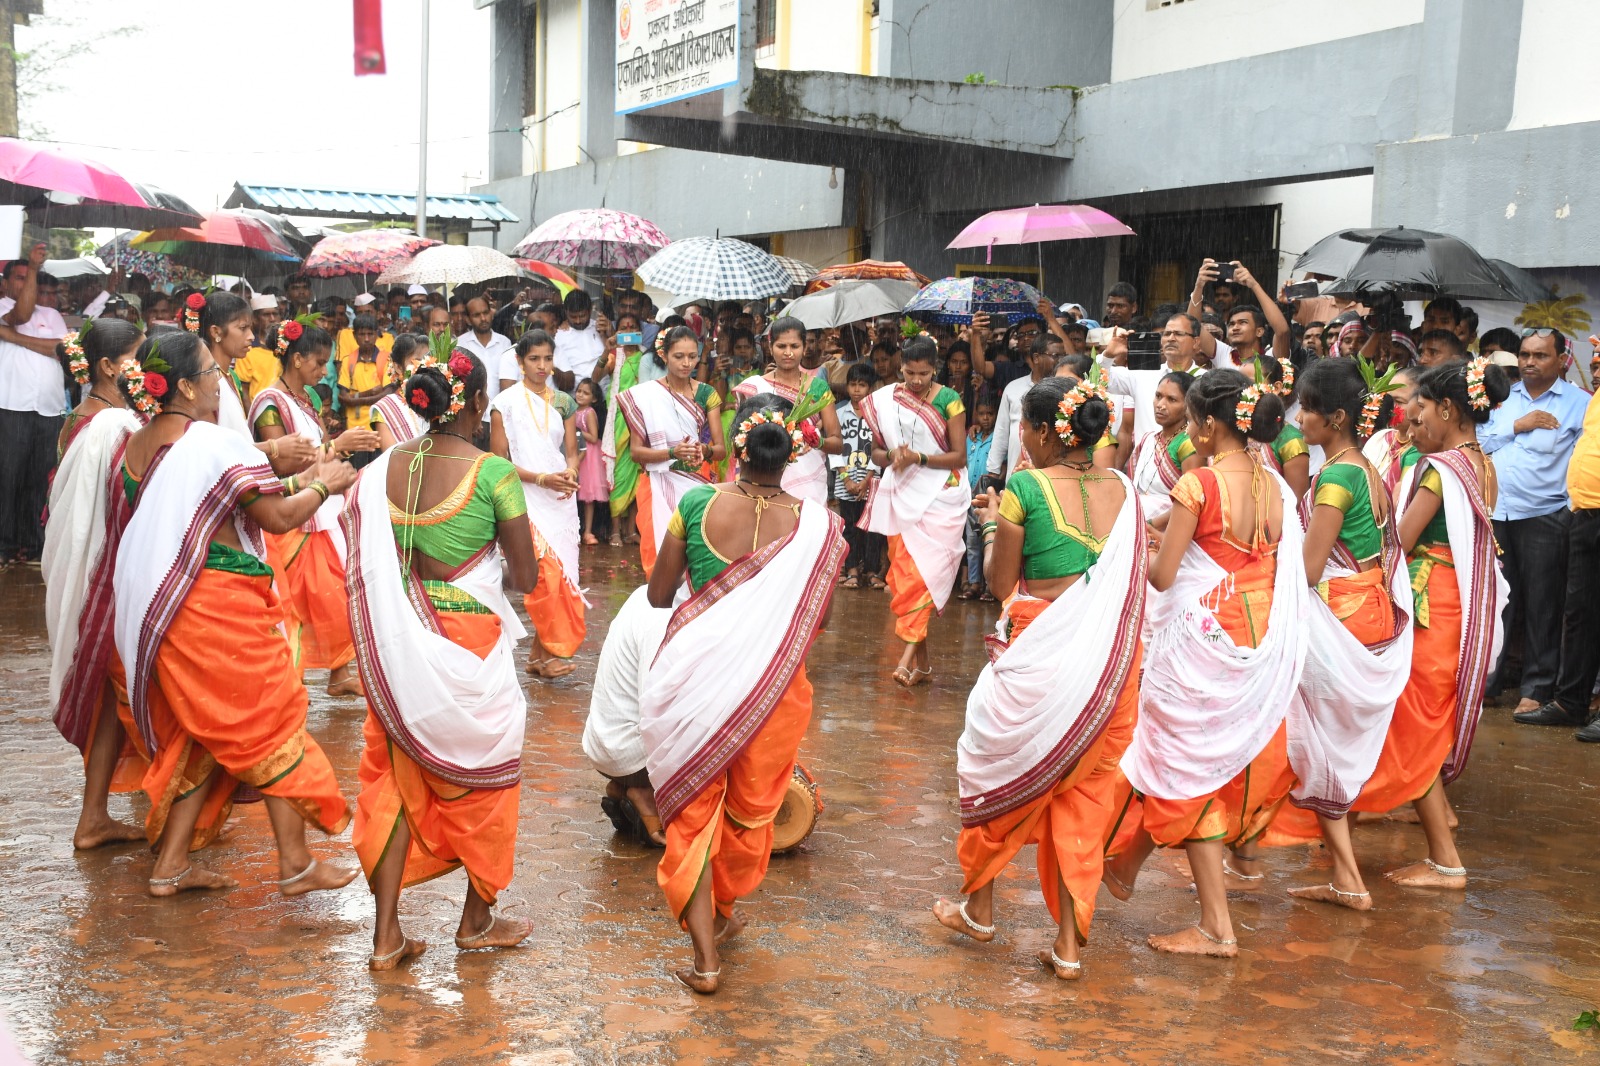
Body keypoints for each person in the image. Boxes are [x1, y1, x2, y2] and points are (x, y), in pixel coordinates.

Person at [112, 330, 357, 897]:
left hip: (165, 608)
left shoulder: (137, 444)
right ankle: (295, 863)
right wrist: (326, 486)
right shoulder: (213, 443)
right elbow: (273, 517)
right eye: (211, 373)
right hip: (216, 606)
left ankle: (170, 867)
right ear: (187, 387)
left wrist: (292, 471)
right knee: (272, 718)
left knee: (211, 732)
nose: (220, 382)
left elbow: (219, 507)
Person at [932, 376, 1145, 980]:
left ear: (1046, 432)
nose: (1020, 438)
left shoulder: (1024, 487)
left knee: (997, 764)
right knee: (1086, 795)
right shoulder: (1125, 489)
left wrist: (994, 521)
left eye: (1023, 426)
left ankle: (980, 906)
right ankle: (1069, 947)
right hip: (1111, 662)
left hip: (1042, 648)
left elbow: (1002, 586)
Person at [640, 393, 847, 994]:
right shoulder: (819, 527)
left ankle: (705, 955)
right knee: (749, 813)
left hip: (691, 683)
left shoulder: (696, 502)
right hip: (775, 694)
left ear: (737, 443)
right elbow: (821, 619)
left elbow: (658, 595)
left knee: (694, 807)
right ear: (793, 451)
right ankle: (722, 909)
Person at [344, 350, 537, 970]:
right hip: (469, 637)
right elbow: (526, 578)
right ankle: (477, 920)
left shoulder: (383, 467)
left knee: (396, 779)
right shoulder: (493, 473)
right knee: (489, 772)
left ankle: (386, 936)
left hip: (399, 638)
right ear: (479, 404)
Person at [1104, 368, 1306, 958]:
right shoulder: (1275, 486)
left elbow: (1165, 576)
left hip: (1204, 632)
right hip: (1259, 626)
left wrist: (1126, 550)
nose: (1189, 431)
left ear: (1210, 425)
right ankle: (1126, 867)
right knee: (1199, 761)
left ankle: (1217, 926)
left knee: (1184, 761)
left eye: (1191, 420)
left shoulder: (1199, 486)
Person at [1351, 358, 1509, 888]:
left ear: (1448, 409)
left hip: (1428, 602)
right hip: (1454, 603)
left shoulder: (1441, 468)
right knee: (1418, 725)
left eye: (1424, 411)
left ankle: (1445, 860)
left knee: (1411, 722)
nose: (1417, 423)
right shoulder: (1481, 463)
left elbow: (1403, 537)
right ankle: (1365, 841)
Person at [1276, 358, 1415, 909]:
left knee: (1310, 745)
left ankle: (1340, 876)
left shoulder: (1335, 476)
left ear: (1335, 417)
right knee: (1323, 746)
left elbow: (1310, 569)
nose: (1300, 417)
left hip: (1338, 618)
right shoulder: (1366, 468)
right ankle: (1345, 876)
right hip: (1369, 612)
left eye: (1308, 408)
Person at [42, 318, 148, 849]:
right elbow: (123, 505)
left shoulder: (80, 420)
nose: (146, 368)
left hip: (91, 578)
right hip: (109, 579)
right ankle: (185, 819)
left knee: (112, 703)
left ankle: (96, 815)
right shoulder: (116, 428)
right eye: (136, 356)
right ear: (108, 367)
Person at [248, 322, 380, 696]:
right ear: (297, 357)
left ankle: (339, 673)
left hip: (320, 510)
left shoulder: (309, 398)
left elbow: (316, 451)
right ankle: (290, 682)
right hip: (290, 512)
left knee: (333, 594)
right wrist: (339, 446)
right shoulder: (269, 402)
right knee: (294, 604)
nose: (325, 372)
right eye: (319, 363)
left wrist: (339, 452)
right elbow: (281, 464)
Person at [1479, 330, 1591, 722]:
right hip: (1498, 514)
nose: (1529, 362)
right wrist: (1517, 426)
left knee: (1544, 605)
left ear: (1561, 359)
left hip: (1546, 516)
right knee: (1497, 603)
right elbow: (1479, 441)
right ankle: (1489, 683)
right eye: (1525, 354)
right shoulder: (1502, 399)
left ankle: (1536, 688)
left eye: (1540, 355)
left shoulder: (1581, 404)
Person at [860, 336, 969, 688]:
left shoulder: (951, 401)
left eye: (923, 373)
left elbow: (959, 456)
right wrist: (893, 457)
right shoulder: (888, 399)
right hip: (903, 494)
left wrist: (918, 458)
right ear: (900, 368)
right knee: (905, 575)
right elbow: (877, 451)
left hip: (942, 496)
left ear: (935, 368)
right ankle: (921, 664)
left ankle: (906, 659)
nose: (916, 381)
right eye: (909, 373)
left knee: (922, 577)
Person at [490, 330, 586, 679]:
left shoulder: (564, 401)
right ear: (519, 361)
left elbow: (572, 453)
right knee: (545, 574)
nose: (542, 366)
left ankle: (540, 657)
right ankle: (550, 653)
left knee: (563, 574)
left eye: (547, 358)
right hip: (525, 497)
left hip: (561, 498)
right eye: (534, 359)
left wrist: (570, 473)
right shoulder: (505, 404)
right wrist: (543, 479)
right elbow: (499, 461)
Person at [616, 326, 725, 577]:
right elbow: (636, 452)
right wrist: (673, 452)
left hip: (696, 486)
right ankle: (661, 612)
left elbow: (719, 450)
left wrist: (704, 449)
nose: (686, 363)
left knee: (695, 556)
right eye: (678, 356)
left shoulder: (707, 394)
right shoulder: (646, 396)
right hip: (656, 483)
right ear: (664, 356)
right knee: (658, 557)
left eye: (692, 356)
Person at [584, 584, 673, 847]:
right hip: (631, 755)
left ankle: (623, 788)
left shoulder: (645, 592)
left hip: (607, 747)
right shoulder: (666, 613)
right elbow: (657, 706)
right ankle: (644, 792)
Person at [0, 244, 69, 564]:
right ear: (4, 283)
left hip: (49, 408)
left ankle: (32, 542)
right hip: (11, 406)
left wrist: (12, 337)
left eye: (30, 277)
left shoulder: (52, 314)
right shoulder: (1, 306)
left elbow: (60, 349)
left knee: (40, 478)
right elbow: (21, 314)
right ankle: (4, 543)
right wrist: (34, 264)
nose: (25, 282)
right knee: (7, 476)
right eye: (19, 277)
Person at [731, 316, 842, 503]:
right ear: (770, 345)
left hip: (808, 482)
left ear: (804, 346)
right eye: (781, 346)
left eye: (794, 346)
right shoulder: (755, 387)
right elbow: (738, 441)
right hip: (763, 477)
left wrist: (815, 440)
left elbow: (837, 444)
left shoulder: (817, 388)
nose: (788, 353)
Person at [1554, 334, 1600, 743]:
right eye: (1597, 361)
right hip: (1584, 512)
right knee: (1580, 611)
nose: (1597, 368)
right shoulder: (1595, 400)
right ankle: (1571, 702)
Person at [989, 334, 1064, 481]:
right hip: (1017, 475)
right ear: (1036, 358)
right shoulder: (1013, 388)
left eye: (1063, 356)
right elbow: (1001, 432)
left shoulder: (1065, 391)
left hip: (1052, 478)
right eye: (1055, 355)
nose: (1060, 361)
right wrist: (993, 471)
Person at [1127, 371, 1200, 523]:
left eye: (1172, 399)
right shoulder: (1148, 439)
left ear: (1188, 406)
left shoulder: (1189, 445)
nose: (1160, 405)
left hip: (1167, 527)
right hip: (1138, 519)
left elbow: (1190, 502)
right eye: (1158, 396)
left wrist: (1151, 525)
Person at [1360, 365, 1423, 497]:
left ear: (1421, 403)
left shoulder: (1421, 448)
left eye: (1398, 401)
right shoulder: (1379, 438)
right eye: (1388, 399)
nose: (1390, 407)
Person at [960, 394, 997, 599]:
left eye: (990, 414)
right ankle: (974, 583)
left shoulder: (997, 438)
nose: (985, 418)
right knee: (972, 542)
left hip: (989, 496)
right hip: (970, 495)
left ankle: (990, 585)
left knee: (989, 540)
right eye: (981, 414)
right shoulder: (971, 437)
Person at [372, 333, 429, 449]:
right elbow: (391, 456)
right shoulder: (386, 408)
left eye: (427, 361)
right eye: (416, 361)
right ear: (398, 367)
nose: (424, 366)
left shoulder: (440, 400)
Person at [456, 295, 515, 402]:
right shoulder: (460, 344)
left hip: (500, 410)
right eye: (477, 315)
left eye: (486, 313)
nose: (483, 318)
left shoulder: (504, 342)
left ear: (491, 314)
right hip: (472, 411)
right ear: (468, 320)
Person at [554, 289, 612, 393]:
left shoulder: (601, 328)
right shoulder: (558, 335)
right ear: (566, 312)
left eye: (582, 316)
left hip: (603, 397)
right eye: (573, 317)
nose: (578, 321)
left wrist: (611, 332)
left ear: (590, 310)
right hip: (575, 399)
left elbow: (617, 355)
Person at [575, 378, 609, 545]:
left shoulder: (588, 412)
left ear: (594, 399)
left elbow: (594, 437)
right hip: (576, 454)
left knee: (588, 497)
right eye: (579, 391)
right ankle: (575, 529)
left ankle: (588, 532)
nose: (580, 395)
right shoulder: (573, 410)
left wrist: (578, 431)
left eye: (585, 393)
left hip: (589, 457)